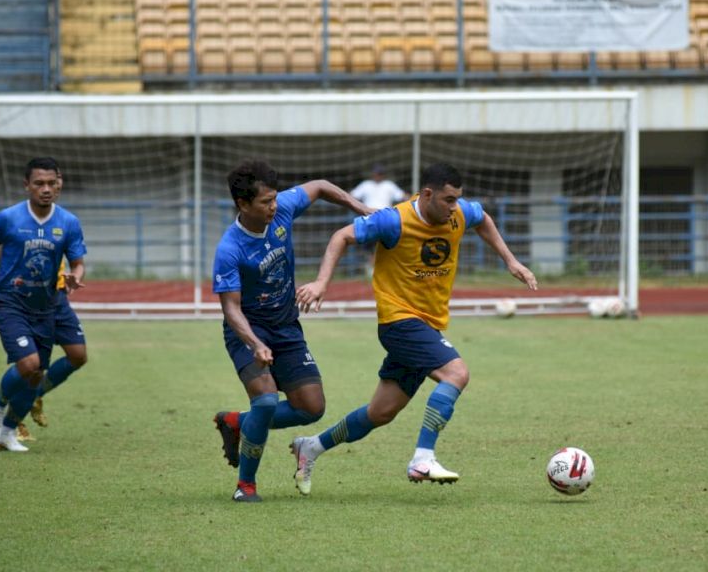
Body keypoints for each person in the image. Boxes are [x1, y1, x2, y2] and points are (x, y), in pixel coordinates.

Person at [290, 162, 537, 495]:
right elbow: (342, 236)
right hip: (399, 321)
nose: (454, 208)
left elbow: (482, 219)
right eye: (448, 200)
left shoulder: (459, 212)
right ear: (427, 194)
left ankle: (312, 447)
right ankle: (423, 458)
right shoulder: (393, 220)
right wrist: (321, 282)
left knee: (381, 412)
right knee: (456, 374)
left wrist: (511, 260)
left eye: (458, 200)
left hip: (427, 323)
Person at [210, 160, 374, 503]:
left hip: (286, 328)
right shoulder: (230, 249)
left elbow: (320, 184)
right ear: (242, 204)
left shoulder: (282, 208)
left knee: (311, 408)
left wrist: (360, 207)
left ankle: (237, 422)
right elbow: (231, 309)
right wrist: (255, 343)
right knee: (267, 401)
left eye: (274, 199)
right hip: (248, 331)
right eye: (265, 202)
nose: (274, 206)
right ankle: (246, 486)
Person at [0, 157, 89, 452]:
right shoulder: (8, 218)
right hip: (12, 301)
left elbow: (78, 263)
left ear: (60, 184)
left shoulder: (67, 222)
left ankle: (7, 432)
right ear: (26, 185)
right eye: (39, 183)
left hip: (48, 303)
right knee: (29, 364)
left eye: (51, 183)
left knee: (38, 372)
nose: (46, 189)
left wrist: (74, 276)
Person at [349, 165, 407, 276]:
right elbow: (352, 195)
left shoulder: (389, 185)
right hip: (368, 219)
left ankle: (376, 267)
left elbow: (401, 196)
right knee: (368, 245)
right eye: (376, 173)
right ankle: (372, 265)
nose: (378, 176)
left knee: (383, 244)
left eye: (380, 173)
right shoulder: (366, 185)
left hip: (386, 219)